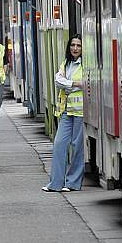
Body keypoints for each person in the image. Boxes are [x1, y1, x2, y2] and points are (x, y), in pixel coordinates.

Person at [42, 34, 84, 193]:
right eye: (73, 45)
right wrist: (74, 84)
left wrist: (68, 84)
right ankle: (55, 183)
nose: (75, 48)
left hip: (81, 112)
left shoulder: (86, 64)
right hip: (66, 111)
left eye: (79, 46)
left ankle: (72, 183)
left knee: (77, 148)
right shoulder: (66, 63)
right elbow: (58, 81)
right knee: (59, 145)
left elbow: (88, 84)